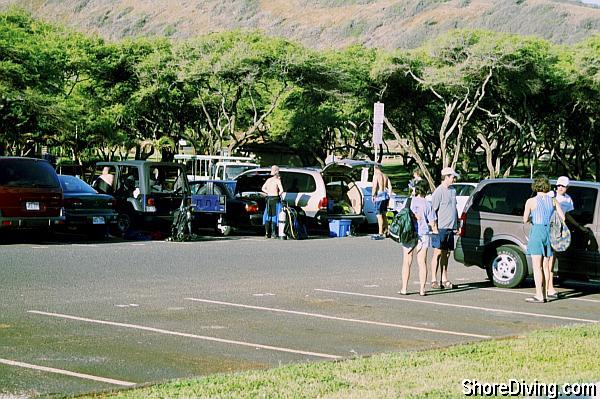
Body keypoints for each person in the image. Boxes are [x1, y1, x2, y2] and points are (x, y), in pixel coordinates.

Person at [523, 176, 565, 303]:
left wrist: (532, 218)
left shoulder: (531, 201)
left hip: (537, 231)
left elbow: (525, 219)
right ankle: (546, 293)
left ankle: (539, 295)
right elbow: (562, 217)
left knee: (537, 266)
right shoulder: (553, 200)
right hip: (549, 232)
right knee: (546, 266)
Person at [399, 180, 436, 296]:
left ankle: (404, 288)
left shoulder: (410, 201)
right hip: (423, 234)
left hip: (409, 233)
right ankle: (422, 289)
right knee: (422, 262)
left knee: (407, 261)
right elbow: (432, 223)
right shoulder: (428, 204)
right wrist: (435, 231)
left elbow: (402, 214)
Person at [430, 167, 459, 290]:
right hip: (440, 228)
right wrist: (435, 228)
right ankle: (433, 279)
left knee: (446, 254)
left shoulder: (453, 191)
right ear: (446, 177)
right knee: (437, 253)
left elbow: (454, 208)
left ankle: (444, 278)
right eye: (452, 177)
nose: (454, 179)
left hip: (450, 228)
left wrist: (457, 224)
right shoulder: (438, 192)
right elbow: (432, 211)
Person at [547, 176, 575, 299]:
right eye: (559, 185)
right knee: (547, 259)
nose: (560, 188)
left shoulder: (568, 199)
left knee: (551, 259)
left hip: (558, 231)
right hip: (548, 228)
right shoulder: (550, 195)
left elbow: (566, 215)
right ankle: (549, 287)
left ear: (567, 187)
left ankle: (548, 286)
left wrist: (579, 226)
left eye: (563, 186)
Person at [261, 165, 284, 239]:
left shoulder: (268, 180)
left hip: (268, 199)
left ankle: (267, 233)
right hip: (275, 199)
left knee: (268, 215)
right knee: (275, 216)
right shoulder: (277, 180)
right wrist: (278, 194)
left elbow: (263, 188)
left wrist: (268, 192)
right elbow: (282, 190)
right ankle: (274, 233)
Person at [371, 164, 391, 240]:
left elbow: (374, 186)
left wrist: (373, 195)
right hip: (385, 196)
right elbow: (389, 187)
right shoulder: (385, 175)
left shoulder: (376, 175)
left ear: (375, 168)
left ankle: (380, 232)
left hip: (379, 196)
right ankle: (387, 231)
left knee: (379, 215)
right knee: (384, 214)